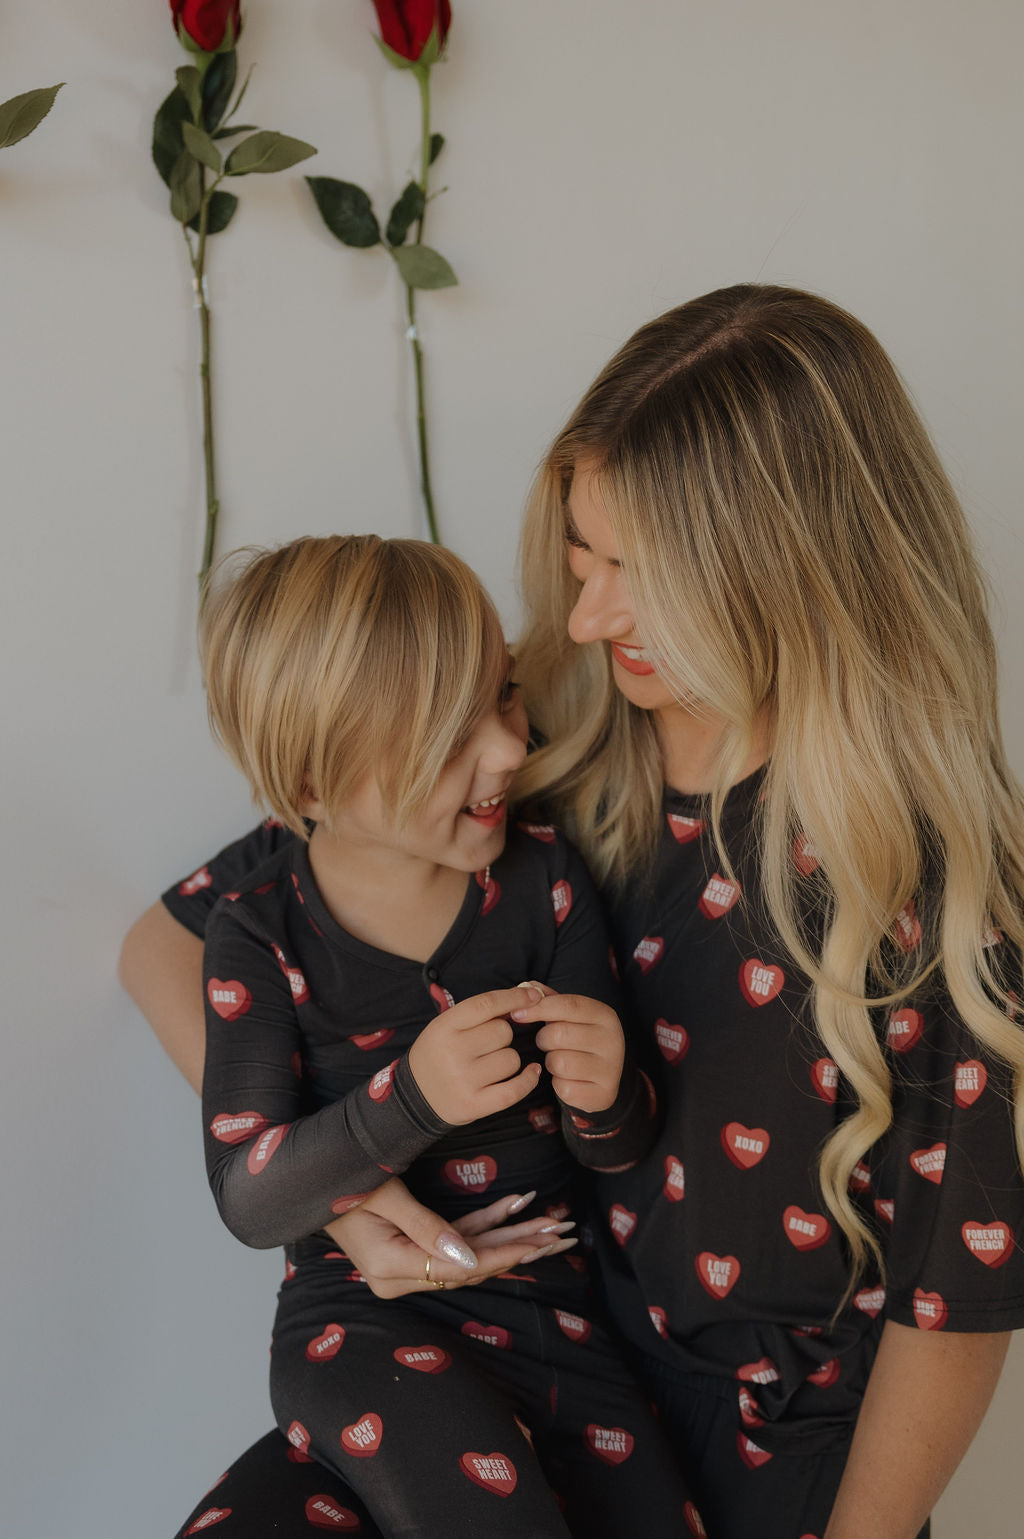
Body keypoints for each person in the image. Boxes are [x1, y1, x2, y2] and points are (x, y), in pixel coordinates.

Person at [121, 284, 1024, 1539]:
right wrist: (343, 1191)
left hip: (773, 1479)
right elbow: (172, 941)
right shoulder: (530, 735)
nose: (587, 613)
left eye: (636, 575)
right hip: (500, 1374)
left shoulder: (921, 885)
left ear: (784, 567)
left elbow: (956, 1300)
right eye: (581, 556)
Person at [176, 532, 692, 1539]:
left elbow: (617, 1147)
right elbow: (248, 1195)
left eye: (501, 697)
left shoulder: (542, 879)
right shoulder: (258, 931)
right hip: (365, 1325)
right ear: (314, 787)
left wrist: (606, 1092)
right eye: (448, 736)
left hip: (563, 1325)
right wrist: (407, 1100)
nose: (509, 750)